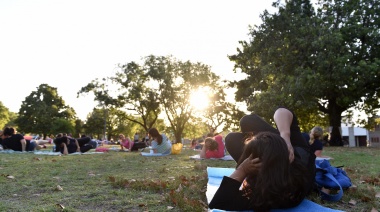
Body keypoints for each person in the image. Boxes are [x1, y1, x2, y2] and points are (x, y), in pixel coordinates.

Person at [209, 108, 316, 211]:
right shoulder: (297, 158)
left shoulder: (261, 195)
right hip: (292, 150)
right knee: (247, 121)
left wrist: (242, 169)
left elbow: (219, 202)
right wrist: (285, 138)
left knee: (232, 137)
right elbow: (282, 111)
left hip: (282, 159)